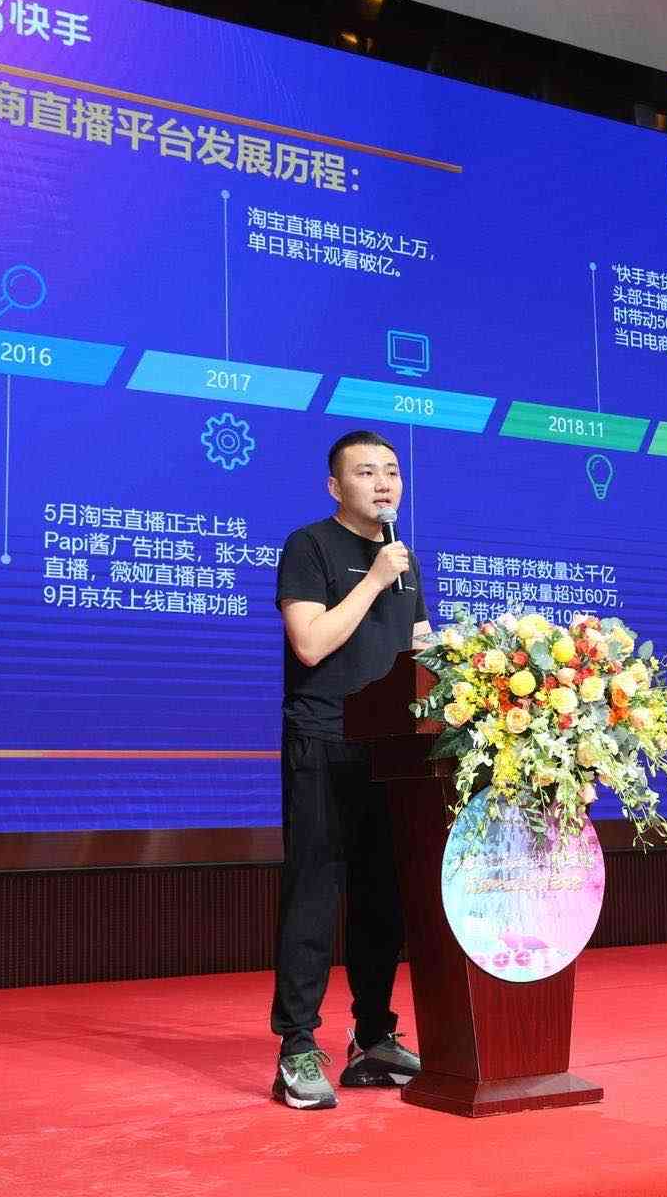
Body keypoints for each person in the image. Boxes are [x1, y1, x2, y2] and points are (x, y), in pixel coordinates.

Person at [269, 430, 430, 1110]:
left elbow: (420, 651)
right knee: (314, 892)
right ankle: (297, 1045)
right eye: (366, 472)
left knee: (381, 897)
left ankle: (373, 1037)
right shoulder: (310, 546)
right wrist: (373, 580)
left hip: (390, 752)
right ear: (336, 487)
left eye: (391, 470)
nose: (383, 482)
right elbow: (310, 644)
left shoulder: (404, 559)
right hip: (323, 740)